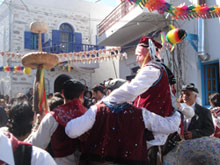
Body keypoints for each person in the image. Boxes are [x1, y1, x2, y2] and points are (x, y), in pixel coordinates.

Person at [65, 79, 181, 164]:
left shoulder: (97, 110)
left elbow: (71, 131)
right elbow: (170, 126)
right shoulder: (141, 114)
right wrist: (176, 112)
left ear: (110, 93)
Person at [30, 79, 87, 165]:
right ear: (82, 95)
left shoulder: (53, 116)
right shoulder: (89, 115)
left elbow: (37, 144)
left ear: (62, 93)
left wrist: (36, 127)